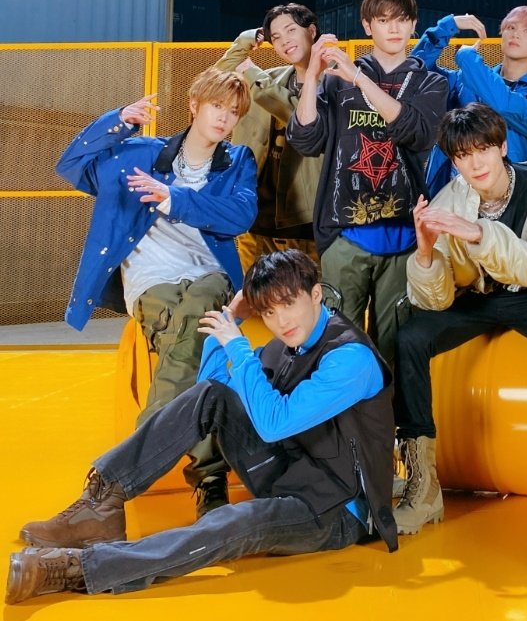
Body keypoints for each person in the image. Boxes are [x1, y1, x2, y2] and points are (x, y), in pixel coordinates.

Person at [6, 250, 397, 604]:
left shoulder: (351, 359)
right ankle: (100, 503)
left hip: (334, 511)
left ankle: (81, 568)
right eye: (269, 312)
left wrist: (238, 347)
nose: (281, 321)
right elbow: (211, 390)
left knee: (233, 522)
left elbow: (275, 423)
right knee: (211, 394)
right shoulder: (288, 345)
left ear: (315, 295)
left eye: (289, 304)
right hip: (291, 472)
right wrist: (230, 321)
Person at [55, 67, 258, 518]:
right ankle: (210, 482)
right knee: (196, 336)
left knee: (194, 317)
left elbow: (241, 215)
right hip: (152, 281)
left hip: (210, 275)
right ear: (194, 105)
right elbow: (70, 165)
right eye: (216, 106)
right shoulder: (139, 153)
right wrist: (117, 122)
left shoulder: (237, 160)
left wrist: (172, 199)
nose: (224, 118)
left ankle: (114, 483)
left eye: (232, 111)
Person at [393, 103, 527, 544]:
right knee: (409, 339)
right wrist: (424, 253)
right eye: (463, 155)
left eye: (483, 149)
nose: (475, 163)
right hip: (477, 299)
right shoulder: (451, 198)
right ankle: (423, 487)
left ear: (502, 147)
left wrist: (480, 234)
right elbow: (436, 298)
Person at [288, 0, 448, 366]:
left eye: (401, 20)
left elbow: (417, 133)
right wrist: (313, 76)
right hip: (345, 234)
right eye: (383, 20)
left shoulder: (431, 81)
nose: (393, 28)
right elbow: (307, 139)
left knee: (394, 349)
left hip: (404, 235)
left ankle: (390, 409)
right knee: (335, 348)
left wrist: (358, 79)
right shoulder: (336, 78)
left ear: (414, 25)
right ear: (367, 25)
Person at [214, 3, 323, 271]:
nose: (284, 41)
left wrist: (253, 75)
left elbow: (301, 117)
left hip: (307, 223)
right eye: (276, 37)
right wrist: (245, 41)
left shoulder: (336, 82)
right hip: (255, 217)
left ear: (311, 31)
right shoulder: (269, 78)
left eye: (291, 30)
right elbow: (215, 80)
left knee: (307, 292)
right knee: (251, 292)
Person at [411, 7, 527, 196]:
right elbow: (415, 73)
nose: (516, 34)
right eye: (511, 28)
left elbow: (503, 104)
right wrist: (447, 27)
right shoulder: (464, 79)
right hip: (446, 193)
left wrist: (467, 57)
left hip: (503, 199)